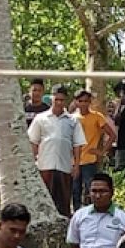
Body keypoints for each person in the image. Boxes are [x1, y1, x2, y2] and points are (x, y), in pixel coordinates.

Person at [28, 85, 84, 216]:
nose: (59, 103)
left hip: (64, 166)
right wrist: (32, 163)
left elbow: (78, 144)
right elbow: (34, 142)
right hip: (44, 165)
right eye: (56, 99)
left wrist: (76, 165)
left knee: (64, 200)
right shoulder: (40, 118)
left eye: (62, 100)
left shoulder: (73, 120)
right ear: (51, 99)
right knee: (45, 199)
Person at [72, 89, 116, 210]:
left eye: (86, 101)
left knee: (90, 189)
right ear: (76, 102)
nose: (83, 104)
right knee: (75, 190)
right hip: (74, 160)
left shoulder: (97, 117)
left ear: (90, 102)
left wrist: (102, 152)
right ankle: (76, 214)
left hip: (89, 160)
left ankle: (91, 211)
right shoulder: (72, 118)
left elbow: (112, 135)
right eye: (80, 101)